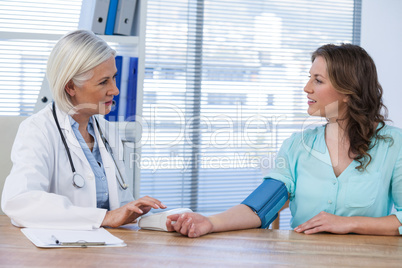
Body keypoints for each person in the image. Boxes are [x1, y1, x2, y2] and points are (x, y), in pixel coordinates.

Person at [166, 43, 402, 237]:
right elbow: (261, 205)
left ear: (349, 92)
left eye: (318, 80)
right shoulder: (296, 146)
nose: (306, 88)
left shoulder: (393, 145)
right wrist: (209, 222)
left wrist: (350, 223)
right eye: (309, 78)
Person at [1, 30, 166, 229]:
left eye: (114, 78)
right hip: (61, 252)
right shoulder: (38, 130)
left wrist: (158, 221)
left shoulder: (106, 131)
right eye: (104, 81)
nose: (115, 90)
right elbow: (19, 202)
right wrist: (103, 218)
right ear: (70, 87)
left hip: (109, 247)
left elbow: (119, 209)